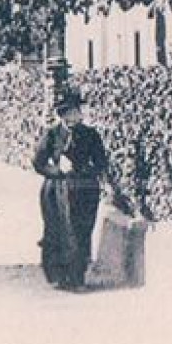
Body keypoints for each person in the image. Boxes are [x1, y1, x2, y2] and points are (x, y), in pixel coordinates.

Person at [31, 89, 132, 291]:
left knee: (81, 231)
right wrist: (58, 169)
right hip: (56, 190)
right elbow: (38, 162)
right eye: (68, 113)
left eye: (75, 112)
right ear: (61, 115)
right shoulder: (51, 135)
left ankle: (77, 277)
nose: (73, 117)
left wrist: (85, 170)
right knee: (57, 231)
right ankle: (59, 276)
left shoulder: (90, 135)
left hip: (85, 189)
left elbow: (101, 162)